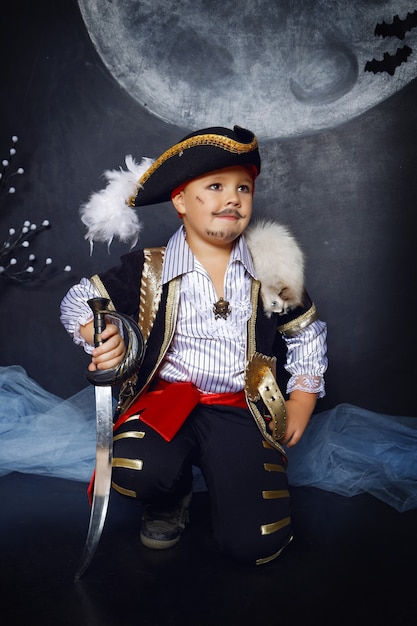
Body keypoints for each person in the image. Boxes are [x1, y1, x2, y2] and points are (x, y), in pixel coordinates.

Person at [60, 125, 327, 565]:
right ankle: (168, 498)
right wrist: (101, 333)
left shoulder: (271, 269)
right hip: (169, 402)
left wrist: (302, 398)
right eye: (216, 186)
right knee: (135, 469)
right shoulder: (148, 267)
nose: (233, 198)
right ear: (181, 201)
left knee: (255, 543)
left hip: (242, 407)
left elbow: (306, 333)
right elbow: (77, 302)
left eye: (243, 187)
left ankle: (236, 489)